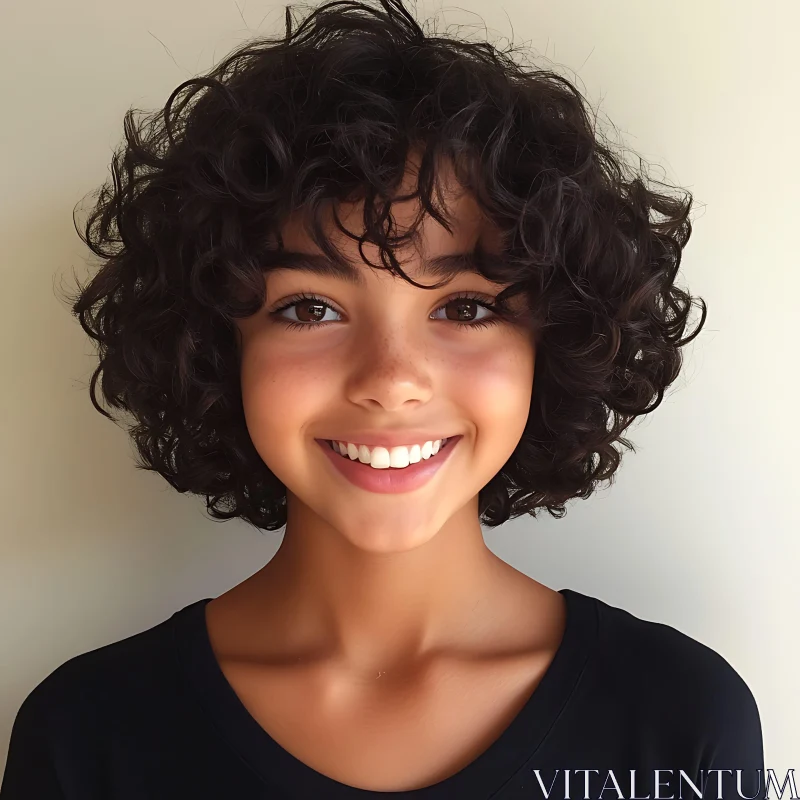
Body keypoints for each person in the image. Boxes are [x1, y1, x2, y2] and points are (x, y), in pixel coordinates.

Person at [1, 0, 765, 797]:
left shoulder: (680, 723)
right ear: (217, 346)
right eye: (309, 308)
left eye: (466, 307)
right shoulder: (89, 736)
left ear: (556, 339)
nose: (391, 378)